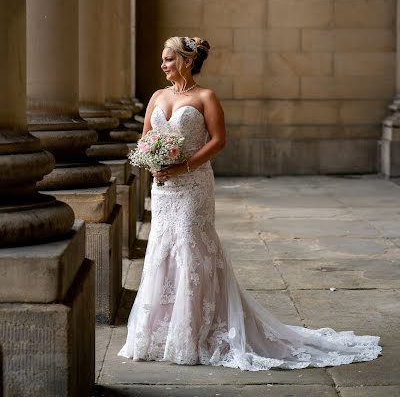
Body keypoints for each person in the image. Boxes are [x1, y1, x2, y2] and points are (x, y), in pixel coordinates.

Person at [118, 36, 382, 370]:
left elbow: (218, 140)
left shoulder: (205, 97)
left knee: (191, 249)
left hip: (193, 186)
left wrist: (183, 166)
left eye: (169, 59)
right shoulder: (157, 96)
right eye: (162, 60)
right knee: (162, 249)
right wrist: (153, 162)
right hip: (163, 186)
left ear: (186, 60)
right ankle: (157, 332)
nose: (163, 65)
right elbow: (145, 140)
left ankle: (194, 332)